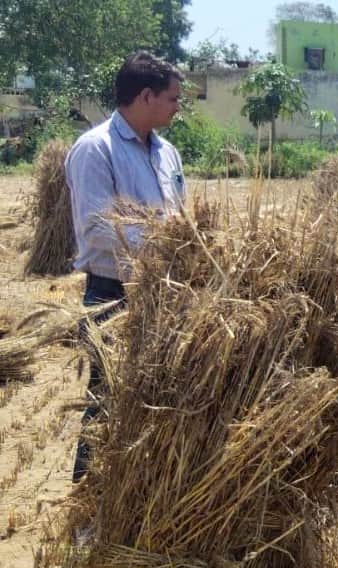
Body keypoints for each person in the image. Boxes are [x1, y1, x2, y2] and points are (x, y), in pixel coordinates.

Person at [67, 51, 186, 482]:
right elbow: (97, 228)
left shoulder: (167, 153)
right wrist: (168, 241)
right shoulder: (94, 150)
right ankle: (86, 503)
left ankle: (133, 497)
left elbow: (178, 213)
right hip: (112, 294)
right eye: (173, 98)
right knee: (105, 400)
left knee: (155, 399)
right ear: (147, 95)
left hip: (162, 291)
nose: (178, 106)